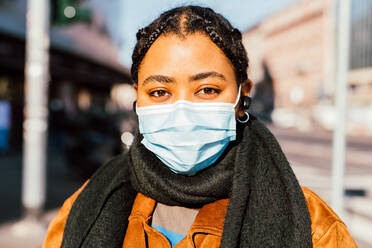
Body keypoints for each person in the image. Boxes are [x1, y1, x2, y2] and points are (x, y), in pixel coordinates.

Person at [43, 5, 357, 248]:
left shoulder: (312, 226)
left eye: (207, 89)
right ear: (137, 98)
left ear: (241, 96)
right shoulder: (85, 205)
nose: (182, 111)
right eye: (160, 92)